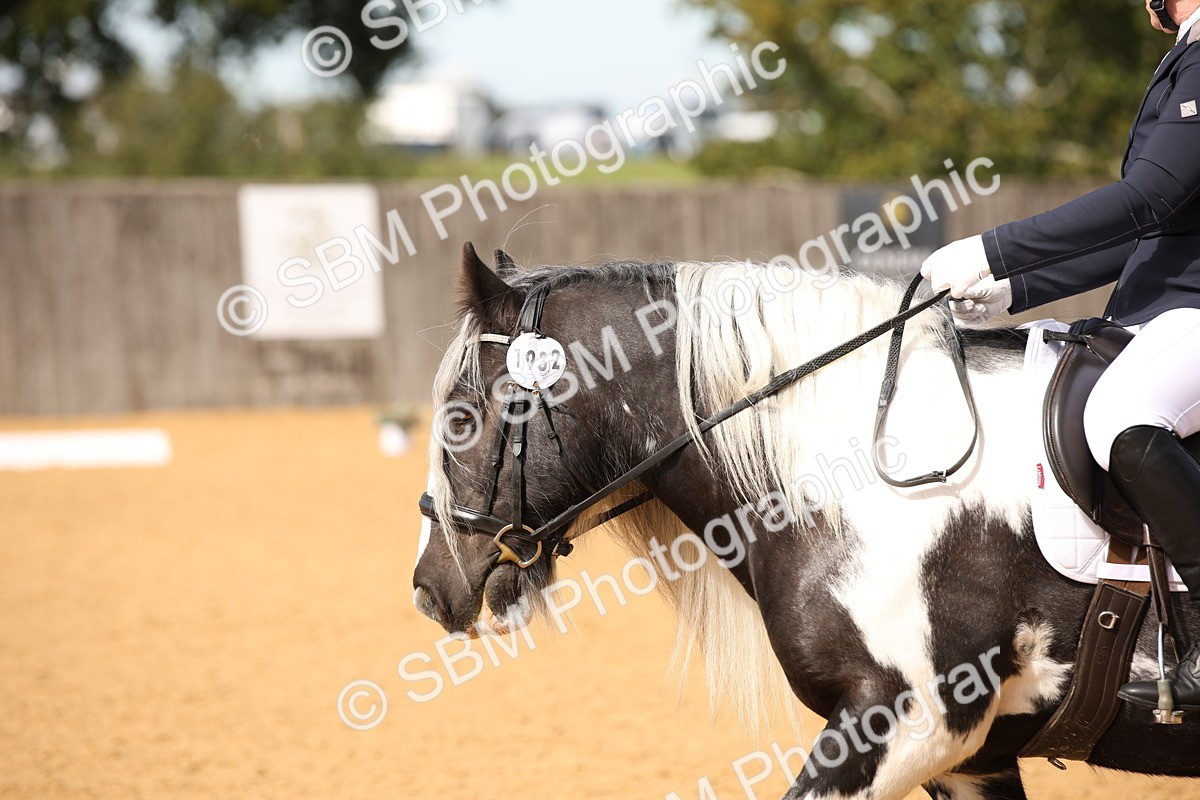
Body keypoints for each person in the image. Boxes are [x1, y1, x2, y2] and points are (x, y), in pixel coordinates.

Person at [921, 0, 1200, 711]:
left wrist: (993, 247)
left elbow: (1149, 197)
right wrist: (1012, 289)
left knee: (1123, 410)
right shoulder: (1186, 57)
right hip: (1169, 311)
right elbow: (1151, 228)